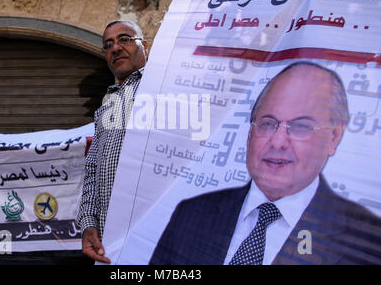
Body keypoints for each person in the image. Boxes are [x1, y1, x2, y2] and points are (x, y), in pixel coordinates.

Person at [150, 61, 381, 265]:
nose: (278, 141)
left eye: (300, 126)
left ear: (333, 137)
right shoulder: (192, 213)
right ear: (251, 131)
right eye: (268, 123)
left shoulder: (366, 241)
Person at [75, 20, 149, 263]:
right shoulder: (107, 105)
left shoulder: (164, 89)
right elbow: (93, 169)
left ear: (144, 46)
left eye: (125, 39)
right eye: (108, 45)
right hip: (110, 246)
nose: (116, 48)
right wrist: (88, 223)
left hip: (153, 239)